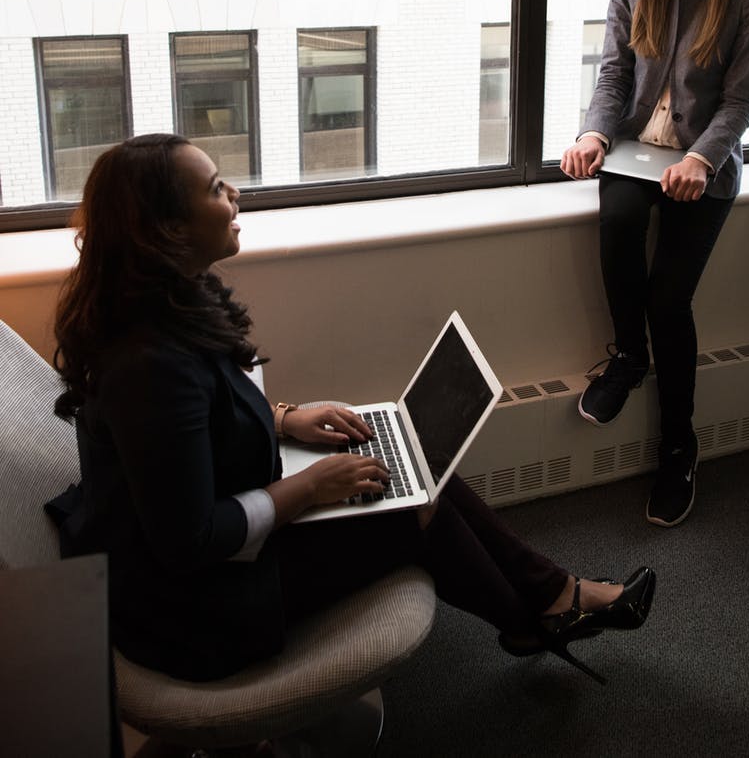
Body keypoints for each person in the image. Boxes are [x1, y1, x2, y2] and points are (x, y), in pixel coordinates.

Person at [48, 133, 655, 689]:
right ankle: (543, 613)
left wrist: (285, 419)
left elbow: (203, 418)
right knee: (410, 504)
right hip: (189, 608)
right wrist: (310, 488)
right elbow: (190, 542)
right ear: (167, 231)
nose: (234, 192)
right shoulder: (150, 365)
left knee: (414, 458)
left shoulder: (173, 302)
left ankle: (550, 602)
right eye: (213, 188)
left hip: (209, 551)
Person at [561, 0, 749, 529]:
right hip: (634, 153)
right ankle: (628, 355)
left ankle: (679, 448)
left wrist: (703, 161)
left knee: (669, 298)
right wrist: (594, 135)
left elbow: (739, 103)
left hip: (701, 169)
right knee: (618, 221)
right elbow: (614, 73)